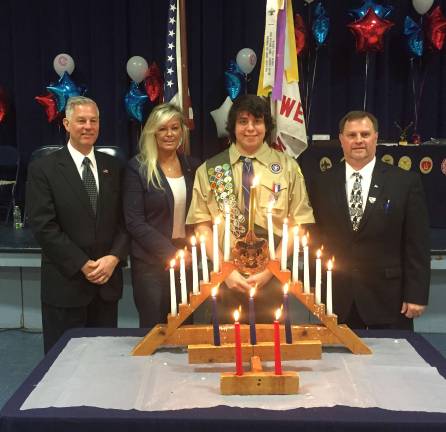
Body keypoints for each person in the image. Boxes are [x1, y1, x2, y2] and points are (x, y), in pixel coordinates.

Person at [186, 94, 314, 322]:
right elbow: (201, 227)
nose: (250, 128)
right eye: (243, 121)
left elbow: (299, 225)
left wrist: (271, 270)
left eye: (257, 121)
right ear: (233, 126)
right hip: (225, 276)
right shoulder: (211, 169)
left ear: (267, 126)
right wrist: (226, 272)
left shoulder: (287, 167)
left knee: (270, 349)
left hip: (273, 276)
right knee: (224, 349)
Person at [308, 110, 430, 330]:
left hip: (389, 300)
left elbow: (417, 244)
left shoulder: (404, 182)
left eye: (365, 134)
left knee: (392, 363)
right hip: (336, 298)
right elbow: (315, 238)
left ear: (376, 137)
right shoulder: (321, 182)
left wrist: (417, 293)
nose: (358, 140)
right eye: (352, 135)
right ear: (341, 139)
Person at [26, 96, 128, 353]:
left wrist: (114, 257)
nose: (88, 126)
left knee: (104, 362)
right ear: (66, 123)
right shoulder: (43, 168)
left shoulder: (114, 167)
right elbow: (43, 226)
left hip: (105, 285)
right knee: (63, 367)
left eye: (93, 121)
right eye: (81, 120)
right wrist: (82, 264)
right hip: (65, 285)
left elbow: (126, 222)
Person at [123, 103, 200, 328]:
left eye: (175, 128)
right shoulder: (137, 168)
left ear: (182, 132)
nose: (169, 134)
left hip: (187, 261)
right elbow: (134, 222)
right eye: (162, 128)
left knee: (186, 328)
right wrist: (171, 253)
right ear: (152, 132)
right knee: (154, 330)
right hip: (151, 263)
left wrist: (186, 253)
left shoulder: (192, 167)